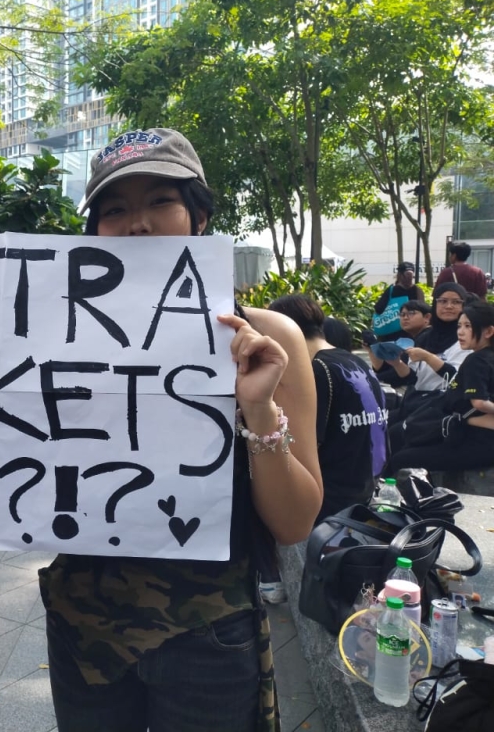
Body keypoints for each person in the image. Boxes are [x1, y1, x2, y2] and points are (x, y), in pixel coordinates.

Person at [39, 128, 323, 732]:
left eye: (159, 202)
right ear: (93, 232)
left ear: (198, 216)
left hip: (208, 632)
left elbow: (295, 522)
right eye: (114, 210)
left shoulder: (271, 338)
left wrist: (258, 409)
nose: (137, 224)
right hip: (81, 625)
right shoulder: (50, 337)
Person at [267, 294, 388, 520]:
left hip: (329, 502)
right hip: (364, 490)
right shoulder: (355, 361)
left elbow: (296, 446)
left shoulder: (316, 371)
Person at [388, 302, 494, 473]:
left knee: (401, 458)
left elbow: (479, 403)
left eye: (468, 326)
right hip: (467, 432)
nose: (460, 331)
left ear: (488, 332)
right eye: (459, 326)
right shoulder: (484, 358)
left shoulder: (477, 360)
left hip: (476, 441)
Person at [381, 283, 471, 425]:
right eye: (442, 301)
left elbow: (455, 378)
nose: (449, 306)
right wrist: (396, 363)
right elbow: (412, 378)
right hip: (416, 402)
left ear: (463, 306)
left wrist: (427, 357)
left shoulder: (467, 339)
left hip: (443, 408)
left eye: (456, 302)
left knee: (394, 436)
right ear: (435, 304)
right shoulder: (426, 337)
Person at [372, 261, 425, 340]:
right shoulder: (417, 291)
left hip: (391, 334)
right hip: (412, 334)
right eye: (408, 275)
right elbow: (423, 310)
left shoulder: (392, 290)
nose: (409, 278)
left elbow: (379, 309)